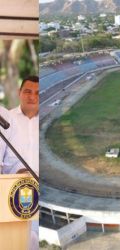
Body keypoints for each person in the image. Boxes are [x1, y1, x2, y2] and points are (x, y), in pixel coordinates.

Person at [0, 76, 39, 250]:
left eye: (38, 93)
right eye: (28, 92)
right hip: (11, 200)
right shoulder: (8, 119)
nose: (32, 97)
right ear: (19, 93)